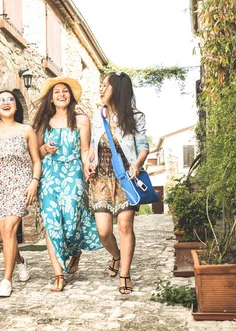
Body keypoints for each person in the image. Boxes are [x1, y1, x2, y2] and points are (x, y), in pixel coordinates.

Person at [31, 77, 102, 292]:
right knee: (52, 223)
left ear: (70, 96)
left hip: (72, 172)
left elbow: (84, 150)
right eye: (56, 92)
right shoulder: (43, 122)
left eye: (65, 91)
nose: (61, 95)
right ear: (51, 99)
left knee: (71, 219)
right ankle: (58, 275)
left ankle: (76, 250)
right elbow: (36, 153)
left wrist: (87, 166)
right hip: (49, 175)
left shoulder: (81, 120)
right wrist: (45, 148)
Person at [84, 72, 150, 295]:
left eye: (105, 85)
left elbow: (143, 145)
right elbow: (93, 146)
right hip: (101, 178)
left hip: (126, 178)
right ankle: (117, 256)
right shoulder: (98, 115)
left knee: (124, 225)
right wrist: (88, 162)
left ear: (117, 89)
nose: (101, 89)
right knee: (103, 232)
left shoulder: (135, 116)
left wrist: (137, 164)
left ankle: (124, 274)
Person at [0, 90, 41, 297]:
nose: (6, 103)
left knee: (8, 229)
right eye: (1, 100)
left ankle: (6, 280)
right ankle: (20, 261)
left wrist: (34, 182)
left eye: (11, 100)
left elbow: (36, 160)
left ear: (16, 106)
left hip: (20, 183)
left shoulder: (26, 130)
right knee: (5, 233)